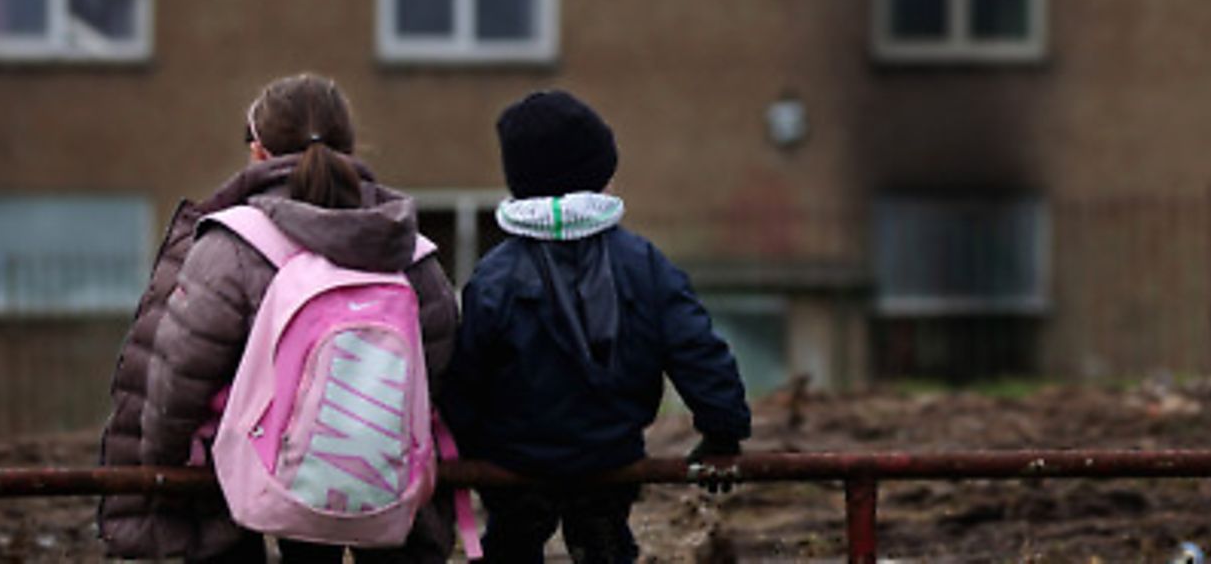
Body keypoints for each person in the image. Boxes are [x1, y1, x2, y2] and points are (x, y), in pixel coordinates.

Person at [105, 73, 459, 563]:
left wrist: (161, 466)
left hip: (246, 476)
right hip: (378, 473)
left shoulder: (234, 243)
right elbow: (441, 364)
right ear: (350, 146)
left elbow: (181, 373)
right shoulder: (403, 243)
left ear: (259, 151)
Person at [441, 90, 751, 564]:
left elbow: (468, 372)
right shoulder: (643, 263)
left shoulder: (495, 275)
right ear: (599, 173)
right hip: (610, 454)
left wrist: (464, 445)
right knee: (605, 545)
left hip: (515, 460)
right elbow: (694, 346)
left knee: (510, 545)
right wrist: (722, 431)